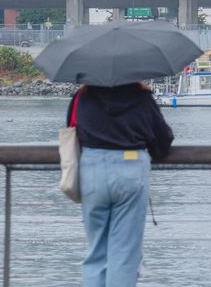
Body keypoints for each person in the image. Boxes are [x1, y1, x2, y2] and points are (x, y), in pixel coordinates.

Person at [71, 80, 174, 287]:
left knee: (96, 253)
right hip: (130, 169)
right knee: (125, 254)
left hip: (92, 170)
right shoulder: (142, 97)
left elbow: (71, 131)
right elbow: (164, 140)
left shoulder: (83, 97)